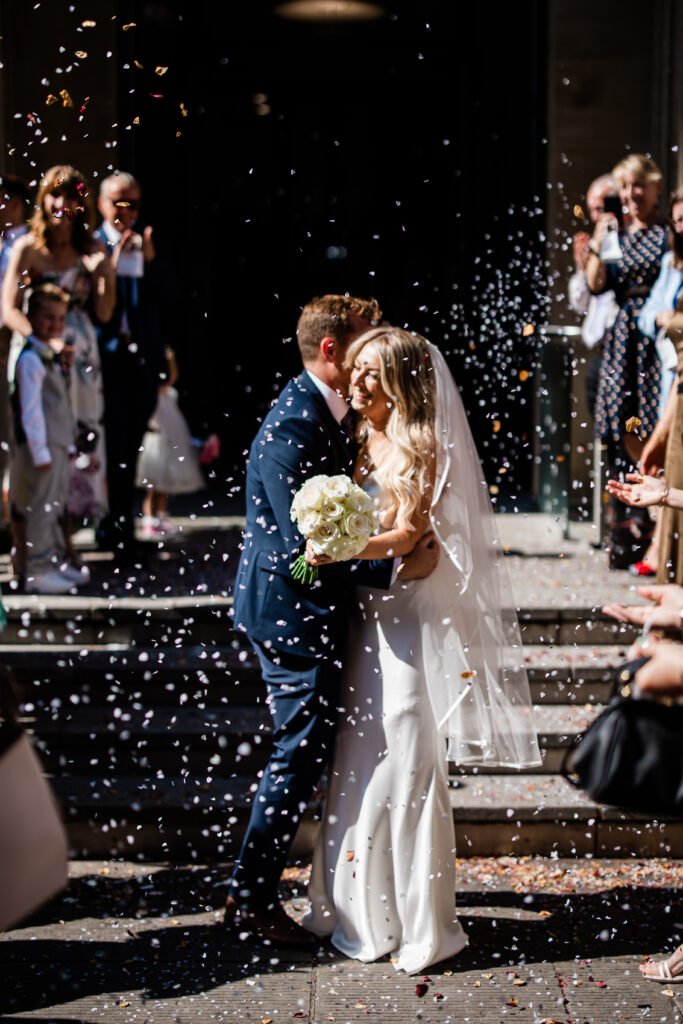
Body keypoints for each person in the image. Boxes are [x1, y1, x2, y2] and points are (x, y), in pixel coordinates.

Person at [302, 327, 541, 973]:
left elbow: (410, 534)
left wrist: (348, 545)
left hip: (407, 617)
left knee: (407, 751)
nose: (356, 382)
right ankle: (355, 909)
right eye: (354, 371)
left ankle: (420, 925)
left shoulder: (421, 441)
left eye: (370, 373)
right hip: (367, 615)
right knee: (360, 755)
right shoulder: (357, 437)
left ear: (400, 379)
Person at [226, 295, 440, 947]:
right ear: (331, 350)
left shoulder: (335, 414)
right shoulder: (294, 422)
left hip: (318, 607)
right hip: (290, 610)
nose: (366, 363)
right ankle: (249, 899)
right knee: (297, 752)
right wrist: (395, 563)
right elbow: (302, 547)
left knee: (310, 750)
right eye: (360, 346)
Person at [1, 165, 115, 564]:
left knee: (72, 446)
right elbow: (7, 309)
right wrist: (41, 343)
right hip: (34, 355)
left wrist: (107, 274)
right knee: (29, 446)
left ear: (81, 204)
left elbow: (103, 312)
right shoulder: (26, 248)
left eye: (70, 196)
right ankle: (21, 546)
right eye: (54, 194)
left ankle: (65, 539)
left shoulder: (91, 250)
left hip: (80, 359)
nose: (61, 204)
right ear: (42, 199)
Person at [586, 154, 668, 569]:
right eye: (625, 187)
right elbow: (596, 284)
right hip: (622, 337)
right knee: (622, 424)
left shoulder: (668, 233)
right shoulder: (615, 231)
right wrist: (601, 237)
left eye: (639, 185)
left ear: (654, 188)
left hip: (655, 334)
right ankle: (633, 525)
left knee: (656, 421)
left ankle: (656, 523)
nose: (632, 195)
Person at [94, 172, 171, 562]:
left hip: (141, 360)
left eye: (133, 204)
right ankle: (108, 524)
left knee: (131, 445)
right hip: (104, 358)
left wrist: (151, 261)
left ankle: (124, 523)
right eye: (118, 202)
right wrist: (112, 261)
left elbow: (168, 299)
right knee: (108, 444)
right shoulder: (91, 243)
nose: (126, 211)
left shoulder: (148, 240)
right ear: (102, 204)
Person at [9, 284, 77, 594]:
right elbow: (31, 412)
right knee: (41, 507)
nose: (55, 324)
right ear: (32, 317)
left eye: (61, 318)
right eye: (48, 317)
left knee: (57, 505)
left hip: (58, 443)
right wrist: (40, 453)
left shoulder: (52, 355)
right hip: (42, 448)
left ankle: (53, 561)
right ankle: (36, 567)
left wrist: (71, 444)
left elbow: (62, 403)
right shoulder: (31, 359)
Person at [135, 347, 204, 537]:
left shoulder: (171, 394)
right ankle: (149, 520)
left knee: (165, 486)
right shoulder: (151, 396)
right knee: (154, 485)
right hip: (156, 445)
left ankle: (161, 518)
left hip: (171, 444)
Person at [568, 174, 620, 418]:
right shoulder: (597, 243)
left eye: (600, 209)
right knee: (601, 432)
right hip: (599, 354)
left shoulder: (621, 242)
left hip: (621, 350)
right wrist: (583, 267)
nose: (595, 217)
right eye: (592, 210)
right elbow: (579, 304)